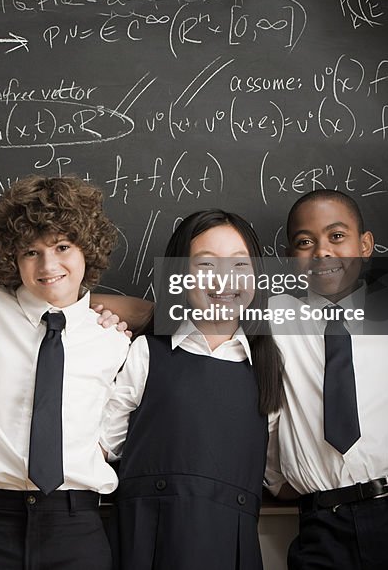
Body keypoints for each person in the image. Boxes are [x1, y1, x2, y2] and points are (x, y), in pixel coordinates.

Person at [0, 175, 130, 570]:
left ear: (86, 250)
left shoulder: (111, 339)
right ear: (12, 259)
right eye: (30, 252)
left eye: (62, 247)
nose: (48, 265)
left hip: (75, 526)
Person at [268, 190, 388, 570]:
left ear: (365, 245)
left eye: (336, 236)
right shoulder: (275, 318)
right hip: (321, 526)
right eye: (304, 242)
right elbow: (189, 312)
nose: (322, 252)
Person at [101, 209, 284, 570]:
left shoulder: (270, 367)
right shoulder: (146, 353)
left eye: (239, 265)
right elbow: (100, 446)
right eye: (205, 265)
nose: (223, 280)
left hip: (229, 550)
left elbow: (278, 477)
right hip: (143, 545)